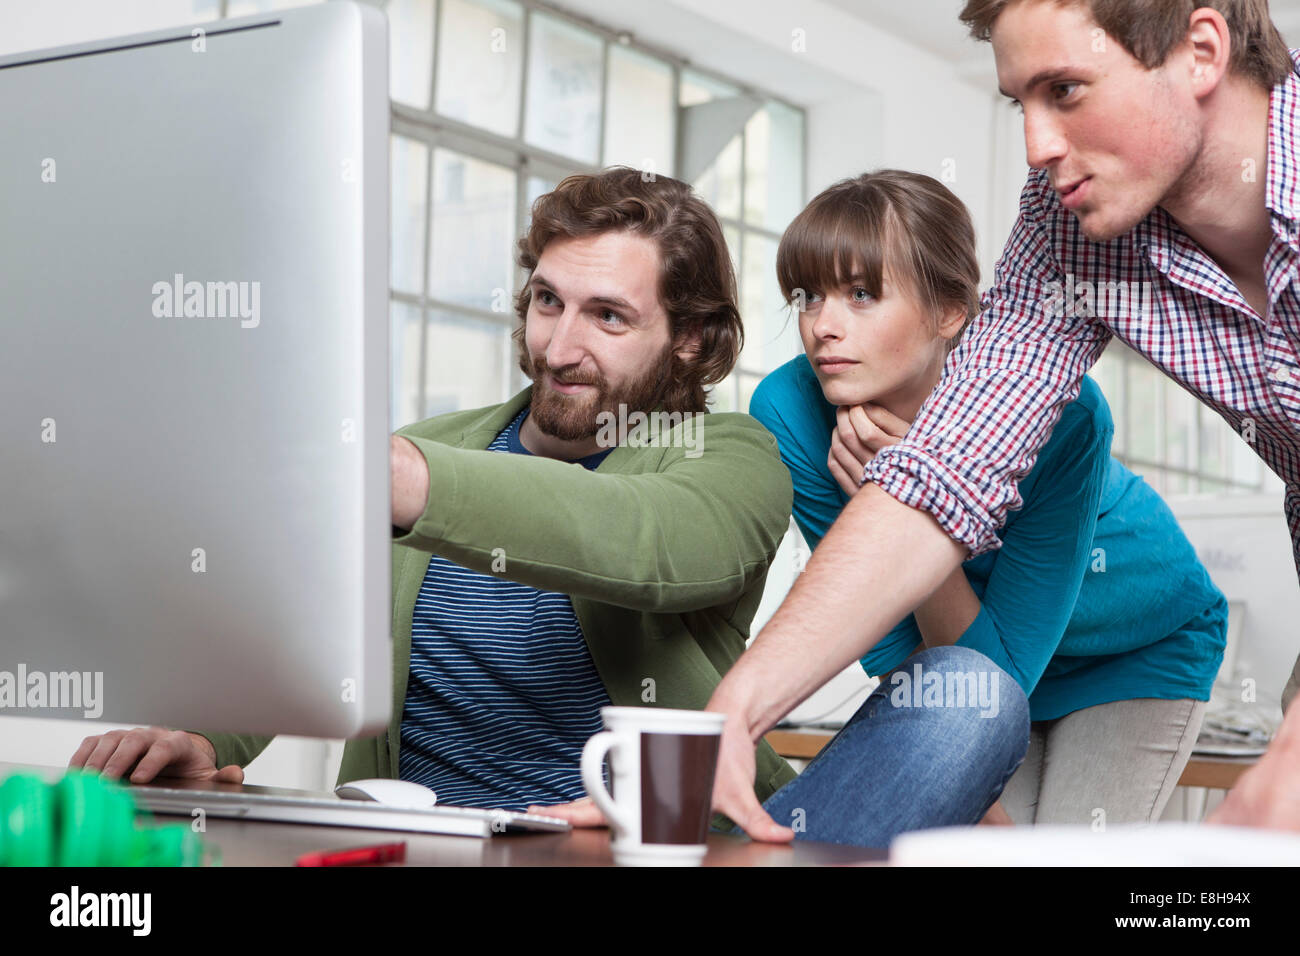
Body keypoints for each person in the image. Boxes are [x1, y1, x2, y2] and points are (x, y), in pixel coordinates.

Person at [705, 0, 1300, 841]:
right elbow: (943, 470)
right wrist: (734, 712)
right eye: (1018, 102)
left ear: (1201, 52)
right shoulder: (1070, 230)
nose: (1037, 146)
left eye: (1067, 89)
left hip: (1143, 649)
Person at [68, 167, 799, 814]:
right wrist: (203, 736)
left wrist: (406, 480)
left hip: (631, 847)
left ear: (691, 339)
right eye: (548, 301)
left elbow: (649, 541)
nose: (558, 346)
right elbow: (309, 625)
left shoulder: (729, 456)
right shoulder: (434, 445)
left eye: (607, 315)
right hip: (412, 841)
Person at [749, 169, 1227, 826]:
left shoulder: (1065, 415)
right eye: (808, 296)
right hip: (982, 654)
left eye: (861, 294)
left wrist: (901, 499)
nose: (823, 326)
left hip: (1134, 649)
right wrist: (882, 506)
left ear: (951, 312)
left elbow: (987, 679)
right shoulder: (790, 409)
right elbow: (917, 667)